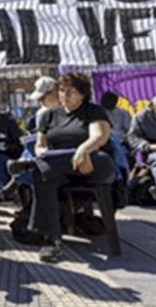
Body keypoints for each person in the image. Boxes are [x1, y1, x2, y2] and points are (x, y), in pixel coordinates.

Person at [8, 72, 116, 263]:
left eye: (71, 92)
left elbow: (99, 137)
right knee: (42, 174)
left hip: (92, 162)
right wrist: (41, 154)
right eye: (62, 91)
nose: (64, 95)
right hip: (59, 168)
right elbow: (40, 146)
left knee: (41, 168)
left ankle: (30, 165)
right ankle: (51, 241)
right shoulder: (49, 115)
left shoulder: (93, 111)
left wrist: (83, 150)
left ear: (83, 94)